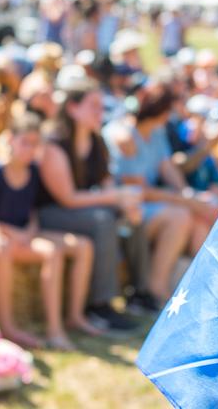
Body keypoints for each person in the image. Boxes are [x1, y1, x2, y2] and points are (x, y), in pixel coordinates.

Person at [37, 69, 155, 323]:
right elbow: (67, 198)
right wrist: (115, 197)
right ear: (72, 108)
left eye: (101, 106)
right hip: (48, 214)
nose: (100, 112)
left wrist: (125, 202)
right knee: (103, 220)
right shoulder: (54, 144)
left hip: (81, 209)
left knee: (131, 212)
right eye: (93, 106)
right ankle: (99, 305)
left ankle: (138, 291)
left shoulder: (96, 141)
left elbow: (106, 185)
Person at [0, 115, 100, 350]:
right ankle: (19, 327)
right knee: (42, 251)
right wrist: (11, 232)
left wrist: (29, 230)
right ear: (11, 140)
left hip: (27, 236)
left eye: (35, 144)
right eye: (25, 143)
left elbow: (32, 212)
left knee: (83, 245)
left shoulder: (33, 171)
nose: (30, 150)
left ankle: (74, 316)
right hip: (8, 240)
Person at [104, 84, 218, 303]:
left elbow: (167, 168)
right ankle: (156, 286)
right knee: (180, 217)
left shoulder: (155, 132)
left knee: (199, 215)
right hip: (128, 208)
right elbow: (139, 191)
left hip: (150, 203)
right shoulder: (124, 138)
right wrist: (184, 200)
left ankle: (202, 289)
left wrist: (189, 195)